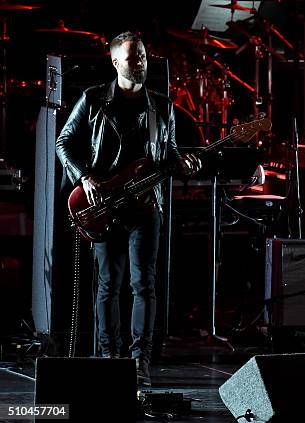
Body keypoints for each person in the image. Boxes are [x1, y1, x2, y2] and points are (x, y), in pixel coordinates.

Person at [56, 31, 201, 386]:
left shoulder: (162, 106)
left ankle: (140, 363)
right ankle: (109, 358)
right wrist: (85, 177)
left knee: (143, 286)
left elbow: (167, 154)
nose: (140, 64)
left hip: (146, 207)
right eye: (133, 58)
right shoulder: (93, 100)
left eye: (144, 57)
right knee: (108, 286)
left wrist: (184, 164)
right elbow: (64, 142)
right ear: (115, 61)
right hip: (104, 204)